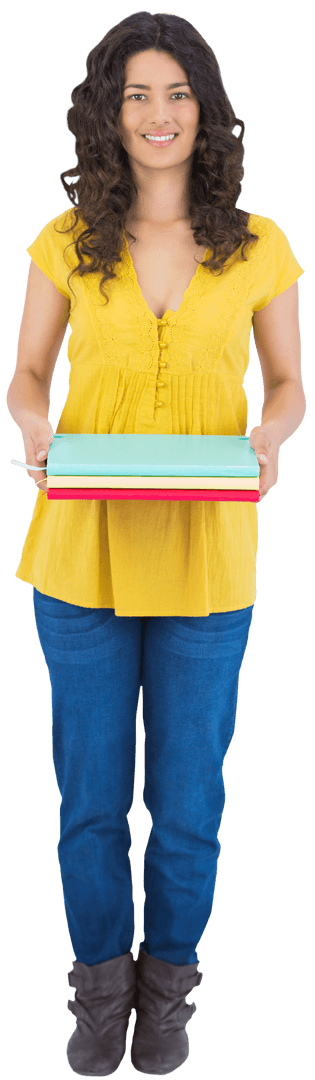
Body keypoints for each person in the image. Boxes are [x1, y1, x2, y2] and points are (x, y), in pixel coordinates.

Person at [6, 11, 306, 1078]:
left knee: (187, 805)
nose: (158, 112)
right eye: (136, 93)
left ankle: (169, 996)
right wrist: (35, 425)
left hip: (208, 556)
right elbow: (27, 377)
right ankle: (96, 1001)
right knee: (89, 801)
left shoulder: (260, 245)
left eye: (176, 92)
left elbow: (284, 387)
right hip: (80, 550)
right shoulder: (66, 237)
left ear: (206, 108)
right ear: (108, 111)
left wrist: (270, 434)